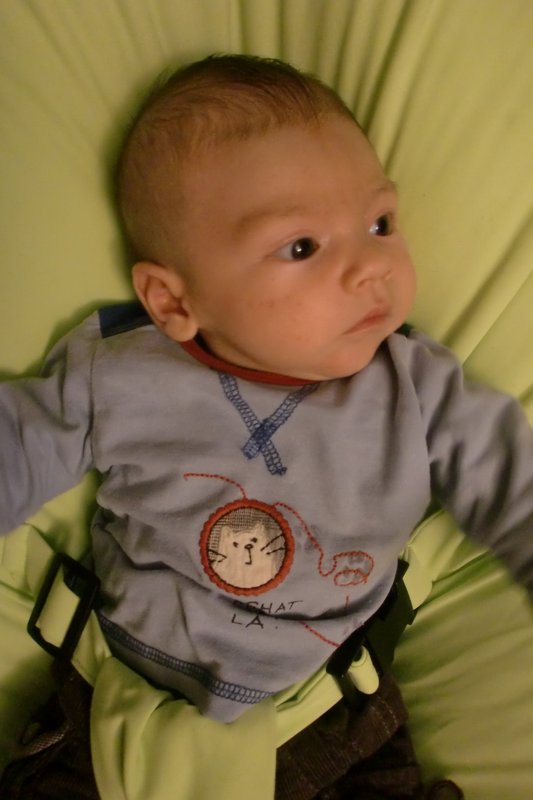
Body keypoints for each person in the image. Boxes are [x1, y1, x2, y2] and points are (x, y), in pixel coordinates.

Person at [1, 53, 531, 799]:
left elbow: (507, 473)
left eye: (378, 223)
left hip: (328, 713)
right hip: (118, 705)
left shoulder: (413, 387)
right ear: (173, 301)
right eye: (301, 246)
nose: (370, 266)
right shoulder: (123, 371)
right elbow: (20, 445)